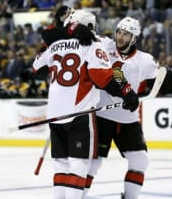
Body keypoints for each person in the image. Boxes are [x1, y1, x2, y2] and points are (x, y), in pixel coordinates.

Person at [63, 13, 172, 198]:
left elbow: (160, 85)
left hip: (128, 120)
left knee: (140, 161)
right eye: (119, 32)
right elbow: (82, 35)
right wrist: (73, 18)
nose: (120, 37)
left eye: (126, 34)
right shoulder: (102, 45)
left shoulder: (145, 60)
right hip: (101, 118)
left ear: (134, 38)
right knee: (93, 163)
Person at [32, 23, 139, 199]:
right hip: (79, 115)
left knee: (61, 165)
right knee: (79, 165)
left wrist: (51, 41)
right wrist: (126, 95)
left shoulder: (55, 45)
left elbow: (36, 68)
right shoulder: (92, 44)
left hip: (55, 115)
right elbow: (103, 79)